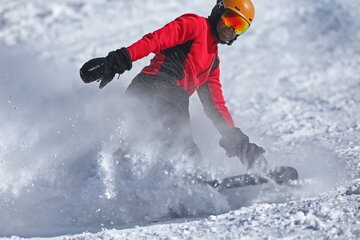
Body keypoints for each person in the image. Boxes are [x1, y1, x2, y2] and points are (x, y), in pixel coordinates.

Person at [80, 0, 265, 169]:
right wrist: (118, 60)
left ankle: (135, 184)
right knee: (183, 150)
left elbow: (215, 107)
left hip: (160, 96)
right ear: (219, 11)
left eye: (240, 27)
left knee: (147, 147)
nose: (232, 29)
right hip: (157, 87)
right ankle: (190, 184)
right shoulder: (196, 25)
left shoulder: (212, 63)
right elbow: (155, 40)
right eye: (230, 19)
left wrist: (239, 143)